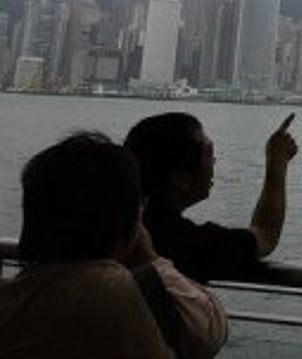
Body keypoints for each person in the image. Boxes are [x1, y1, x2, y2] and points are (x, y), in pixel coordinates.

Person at [0, 131, 226, 359]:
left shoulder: (14, 296)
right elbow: (209, 333)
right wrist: (148, 257)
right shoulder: (107, 290)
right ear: (128, 221)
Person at [124, 111, 298, 283]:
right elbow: (265, 235)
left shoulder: (113, 228)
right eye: (209, 153)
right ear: (181, 179)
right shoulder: (189, 244)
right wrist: (277, 160)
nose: (214, 162)